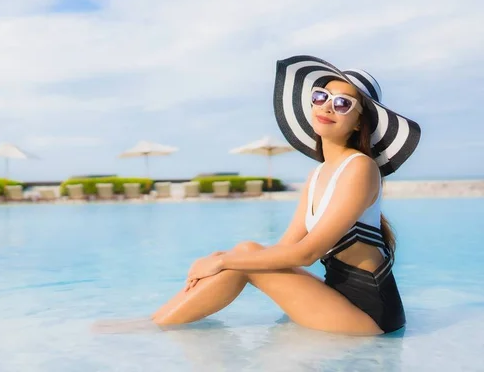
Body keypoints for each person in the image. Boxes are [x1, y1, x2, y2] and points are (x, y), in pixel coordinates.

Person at [151, 55, 421, 335]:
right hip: (338, 300)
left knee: (241, 260)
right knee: (246, 250)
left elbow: (307, 253)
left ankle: (153, 330)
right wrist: (225, 256)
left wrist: (221, 262)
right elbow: (284, 250)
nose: (328, 106)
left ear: (357, 123)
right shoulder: (317, 175)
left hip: (371, 315)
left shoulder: (360, 168)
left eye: (342, 103)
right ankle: (155, 322)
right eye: (321, 96)